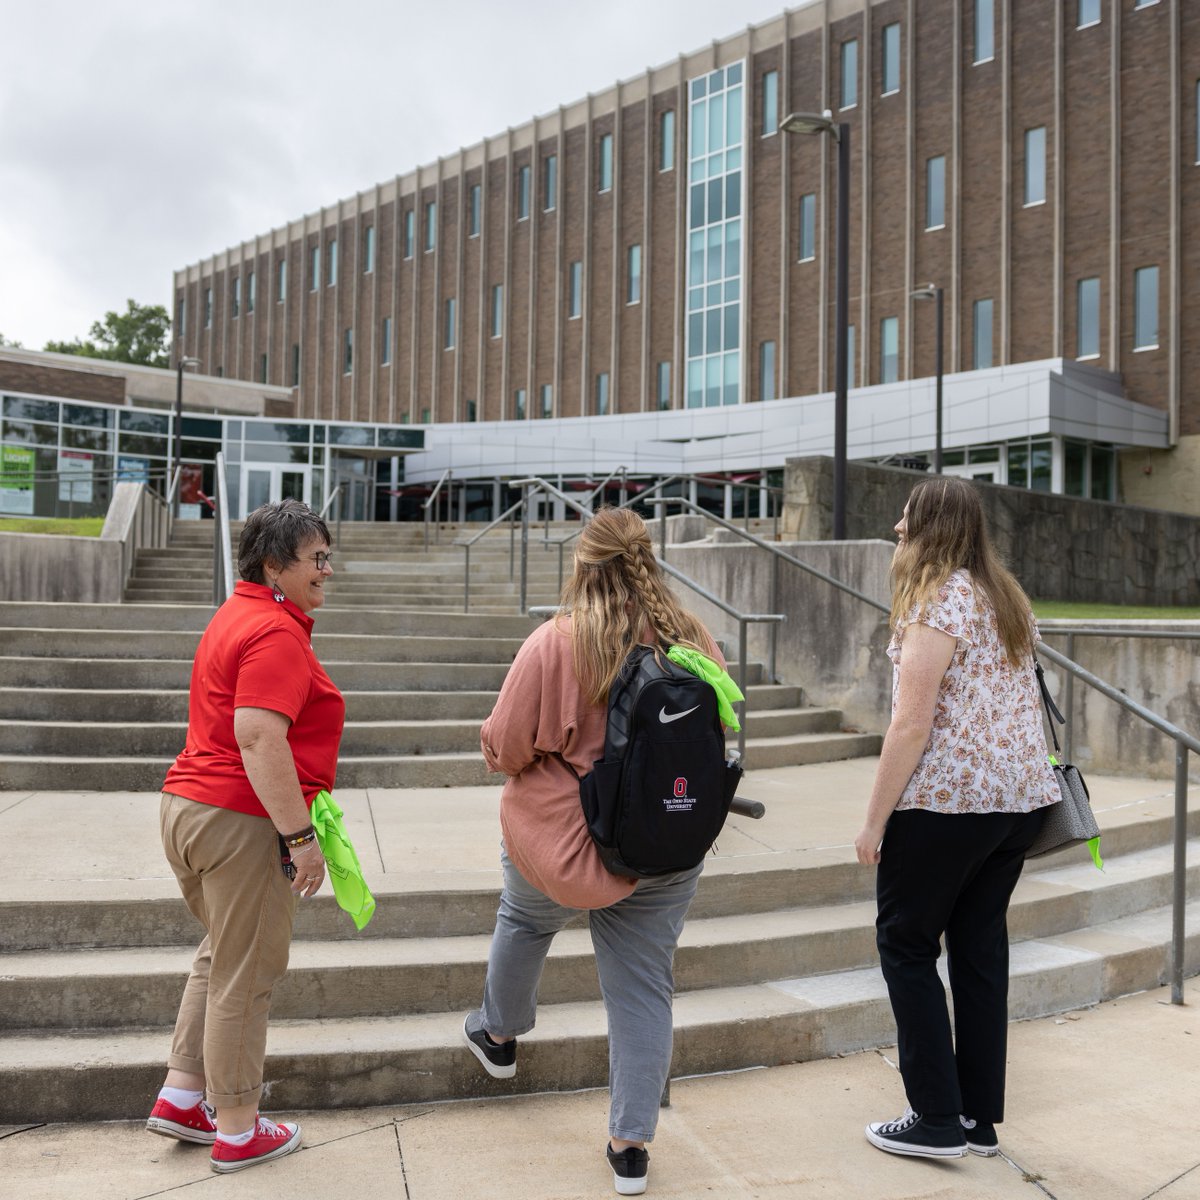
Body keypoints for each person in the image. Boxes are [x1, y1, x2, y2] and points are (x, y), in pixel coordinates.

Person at [464, 507, 725, 1197]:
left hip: (564, 847)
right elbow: (720, 729)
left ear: (582, 565)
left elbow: (507, 748)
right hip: (668, 842)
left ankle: (499, 1034)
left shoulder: (556, 643)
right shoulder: (692, 637)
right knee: (642, 988)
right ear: (649, 560)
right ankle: (630, 1146)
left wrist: (499, 741)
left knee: (523, 920)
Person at [854, 476, 1059, 1161]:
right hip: (1016, 804)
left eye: (906, 519)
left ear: (932, 527)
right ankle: (975, 1119)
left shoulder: (939, 598)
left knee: (906, 946)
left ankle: (935, 1118)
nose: (896, 530)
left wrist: (874, 821)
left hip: (947, 804)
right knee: (977, 952)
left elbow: (911, 726)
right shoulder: (1004, 596)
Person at [145, 499, 343, 1174]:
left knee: (220, 955)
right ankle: (236, 1127)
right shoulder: (276, 631)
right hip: (240, 818)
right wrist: (300, 836)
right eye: (316, 558)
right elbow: (259, 736)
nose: (327, 569)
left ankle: (182, 1094)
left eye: (327, 556)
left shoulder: (235, 614)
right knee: (246, 972)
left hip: (191, 807)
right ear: (273, 564)